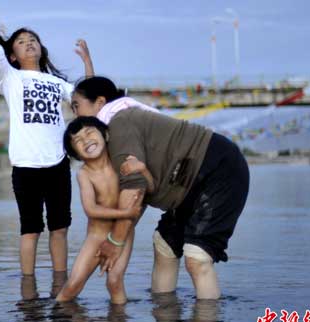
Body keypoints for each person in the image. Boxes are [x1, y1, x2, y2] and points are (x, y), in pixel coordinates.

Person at [70, 76, 250, 300]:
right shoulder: (121, 122)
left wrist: (115, 242)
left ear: (99, 102)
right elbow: (140, 194)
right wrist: (116, 237)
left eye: (76, 106)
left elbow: (134, 188)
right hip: (186, 186)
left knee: (196, 257)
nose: (75, 115)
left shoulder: (120, 123)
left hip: (219, 169)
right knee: (164, 245)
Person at [0, 23, 95, 276]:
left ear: (41, 48)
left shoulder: (56, 82)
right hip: (25, 164)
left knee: (60, 228)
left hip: (58, 162)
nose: (29, 43)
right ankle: (27, 289)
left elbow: (87, 100)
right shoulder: (9, 77)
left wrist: (87, 61)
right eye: (22, 41)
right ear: (12, 56)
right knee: (31, 230)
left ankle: (59, 285)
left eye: (33, 40)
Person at [56, 117, 148, 304]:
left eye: (89, 133)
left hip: (122, 235)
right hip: (95, 237)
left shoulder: (121, 164)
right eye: (78, 141)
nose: (86, 140)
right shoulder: (84, 174)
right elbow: (91, 209)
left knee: (114, 282)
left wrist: (143, 169)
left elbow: (148, 189)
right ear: (76, 154)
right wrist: (126, 214)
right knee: (73, 285)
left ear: (105, 135)